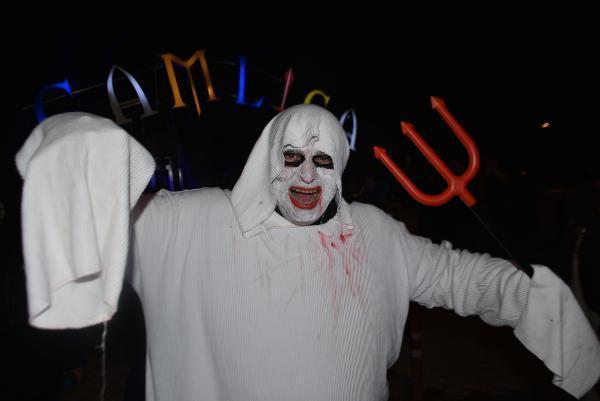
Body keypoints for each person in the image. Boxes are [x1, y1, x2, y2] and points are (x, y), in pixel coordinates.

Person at [16, 104, 600, 400]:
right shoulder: (190, 224)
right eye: (291, 157)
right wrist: (86, 144)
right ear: (268, 159)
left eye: (322, 161)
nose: (304, 175)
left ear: (340, 168)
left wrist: (530, 296)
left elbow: (460, 278)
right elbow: (94, 206)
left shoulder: (375, 234)